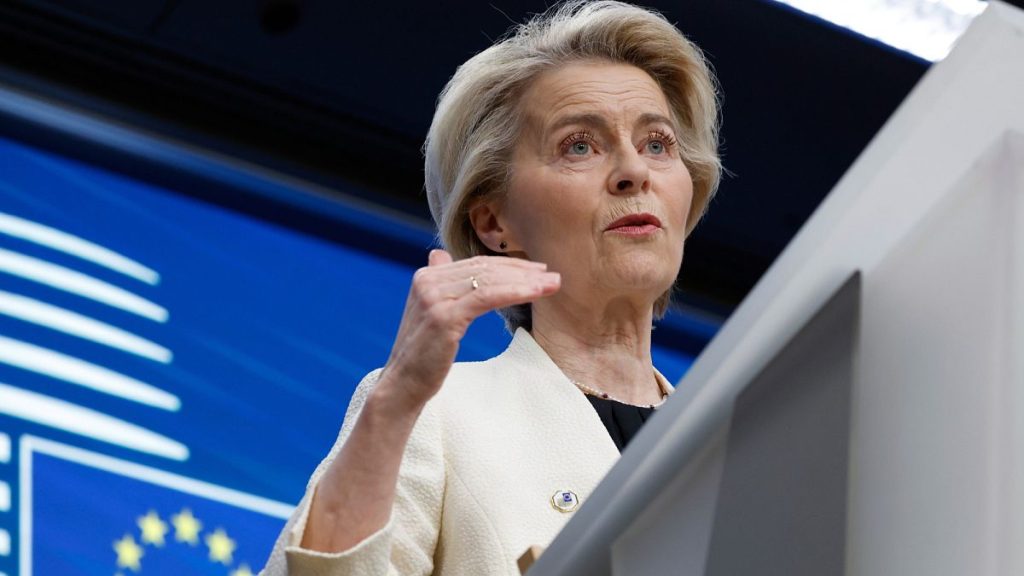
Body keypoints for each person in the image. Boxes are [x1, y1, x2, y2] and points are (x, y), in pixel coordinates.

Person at [261, 0, 721, 574]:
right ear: (494, 224)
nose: (635, 170)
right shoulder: (435, 413)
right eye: (579, 145)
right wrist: (397, 400)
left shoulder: (737, 445)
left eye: (658, 143)